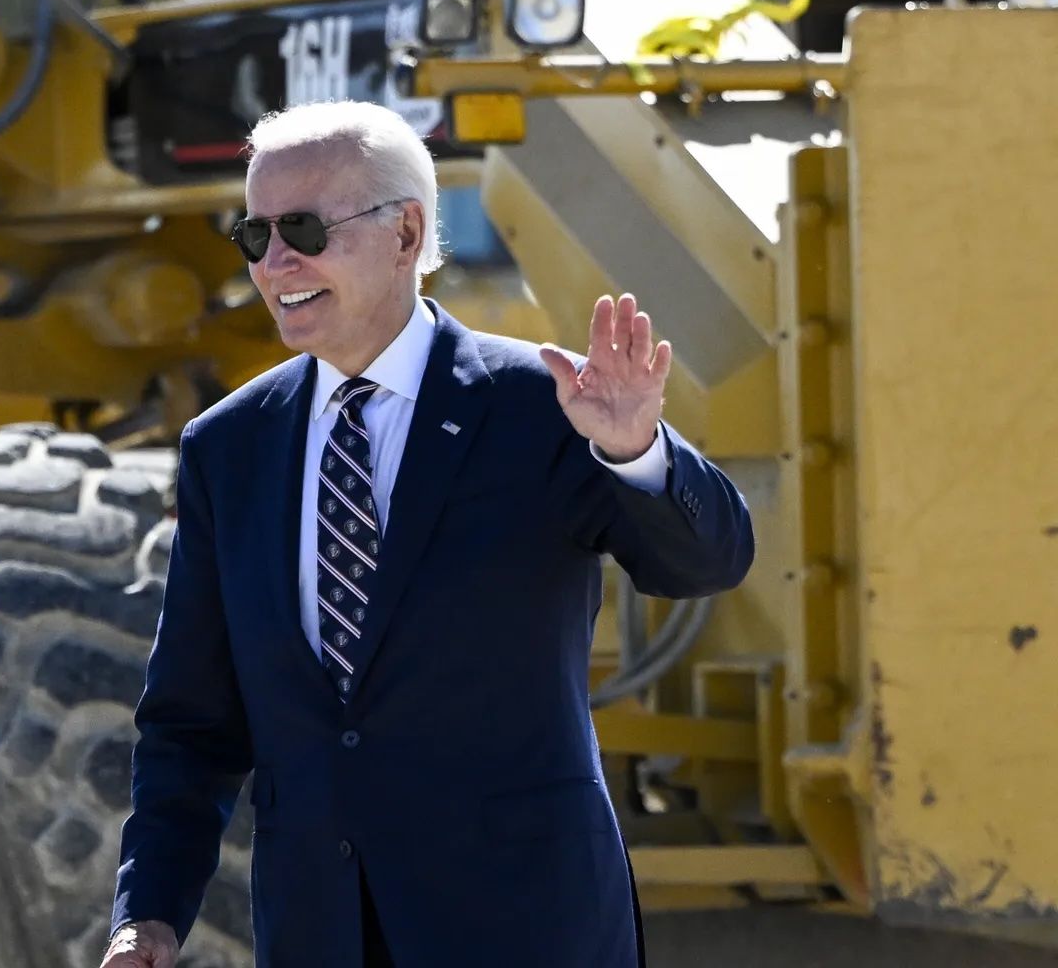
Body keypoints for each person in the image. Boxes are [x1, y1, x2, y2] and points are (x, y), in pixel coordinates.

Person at [99, 101, 754, 968]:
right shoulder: (229, 445)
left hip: (525, 931)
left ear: (405, 233)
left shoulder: (542, 405)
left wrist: (636, 451)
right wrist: (148, 913)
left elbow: (707, 563)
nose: (275, 262)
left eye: (303, 229)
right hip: (320, 935)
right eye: (254, 236)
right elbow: (191, 721)